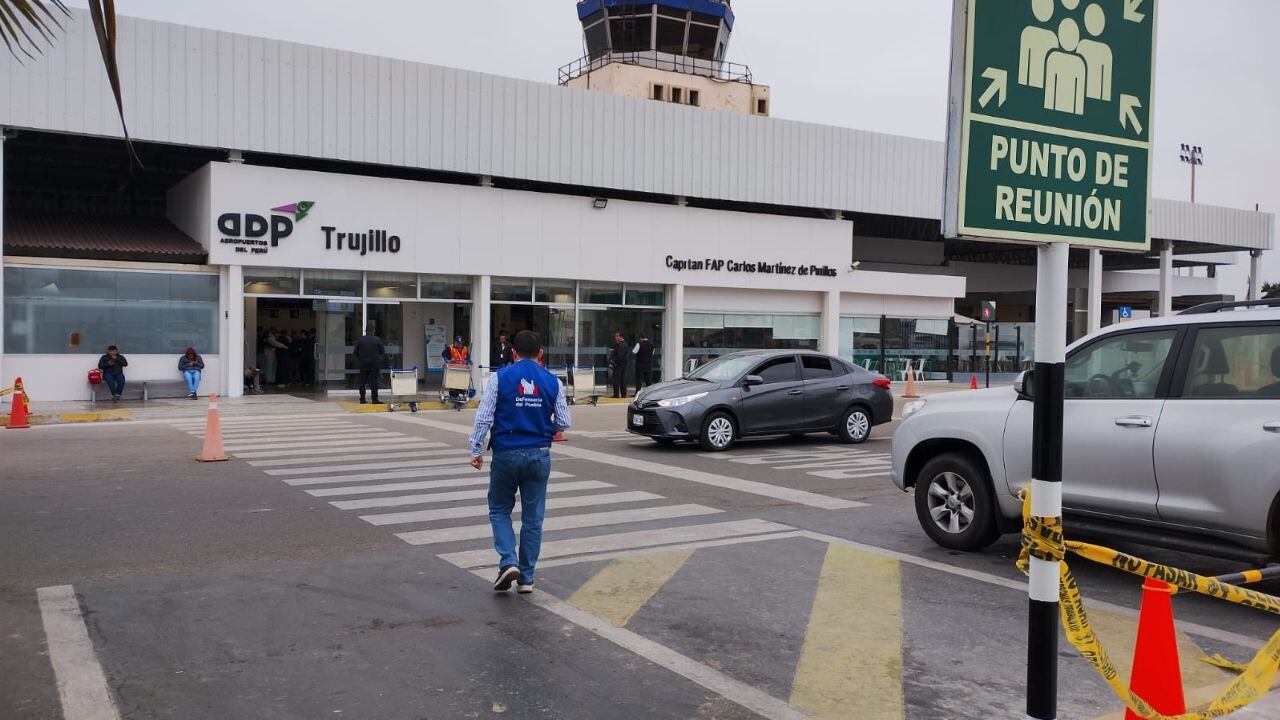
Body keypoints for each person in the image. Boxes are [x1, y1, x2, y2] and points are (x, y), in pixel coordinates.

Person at [469, 330, 571, 593]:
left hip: (506, 453)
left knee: (499, 509)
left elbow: (484, 417)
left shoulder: (499, 378)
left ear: (513, 353)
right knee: (533, 518)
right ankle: (526, 577)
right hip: (539, 454)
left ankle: (507, 561)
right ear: (541, 353)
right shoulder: (553, 381)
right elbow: (564, 422)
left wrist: (476, 449)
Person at [353, 326, 385, 403]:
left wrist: (360, 359)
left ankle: (362, 399)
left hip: (363, 364)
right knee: (374, 382)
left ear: (365, 331)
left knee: (362, 383)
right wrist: (378, 360)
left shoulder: (360, 340)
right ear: (373, 331)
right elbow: (382, 352)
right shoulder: (378, 340)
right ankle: (374, 399)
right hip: (374, 364)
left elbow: (355, 352)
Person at [609, 331, 630, 398]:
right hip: (623, 365)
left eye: (617, 336)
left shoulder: (621, 345)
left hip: (618, 365)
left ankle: (616, 395)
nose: (615, 338)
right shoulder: (625, 344)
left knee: (616, 380)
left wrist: (613, 360)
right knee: (622, 380)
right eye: (615, 336)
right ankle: (623, 394)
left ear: (621, 337)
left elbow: (619, 356)